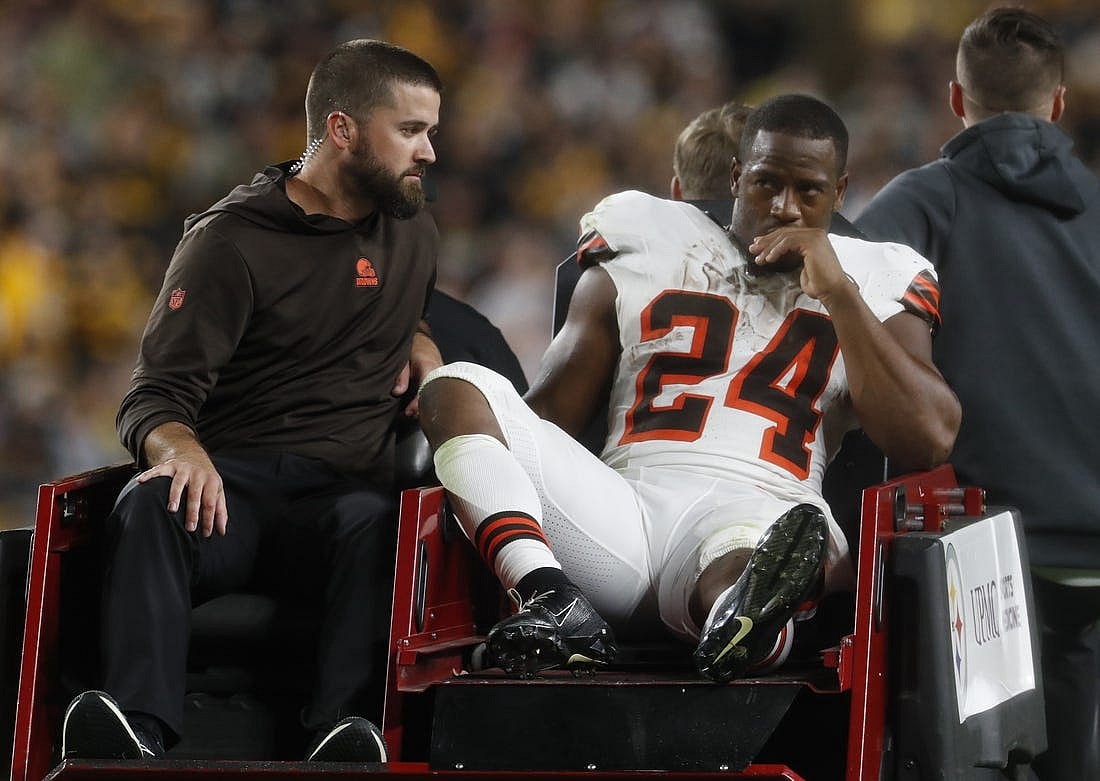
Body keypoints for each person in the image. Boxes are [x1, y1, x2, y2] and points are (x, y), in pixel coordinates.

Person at [417, 94, 961, 683]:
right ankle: (550, 597)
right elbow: (549, 414)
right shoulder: (645, 235)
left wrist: (842, 295)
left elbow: (928, 439)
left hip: (760, 502)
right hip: (621, 509)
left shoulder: (877, 276)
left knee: (753, 560)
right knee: (455, 385)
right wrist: (473, 470)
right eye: (765, 184)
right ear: (734, 177)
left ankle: (746, 617)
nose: (784, 208)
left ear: (841, 191)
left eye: (808, 192)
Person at [59, 39, 444, 764]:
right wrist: (181, 448)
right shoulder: (229, 242)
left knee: (375, 518)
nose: (428, 152)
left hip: (338, 503)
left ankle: (341, 734)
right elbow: (152, 397)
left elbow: (401, 310)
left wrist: (421, 341)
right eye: (411, 131)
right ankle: (133, 733)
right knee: (149, 502)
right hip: (230, 493)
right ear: (342, 130)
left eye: (432, 132)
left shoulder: (414, 229)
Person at [854, 9, 1100, 779]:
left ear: (956, 100)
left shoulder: (920, 203)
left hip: (983, 558)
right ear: (1058, 104)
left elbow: (849, 329)